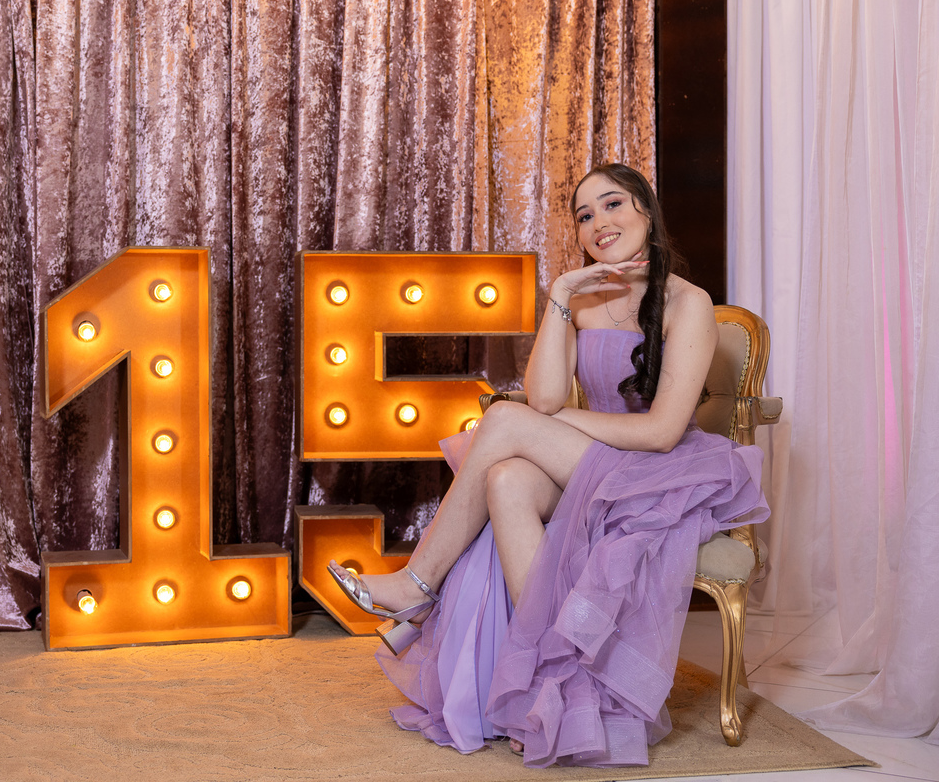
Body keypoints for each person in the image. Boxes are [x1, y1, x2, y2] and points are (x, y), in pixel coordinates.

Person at [327, 163, 769, 768]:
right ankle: (549, 689)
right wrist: (560, 295)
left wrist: (561, 425)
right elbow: (543, 400)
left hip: (658, 472)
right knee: (506, 478)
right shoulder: (581, 299)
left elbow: (662, 432)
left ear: (645, 211)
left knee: (504, 423)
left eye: (613, 205)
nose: (599, 223)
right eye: (584, 215)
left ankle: (417, 583)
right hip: (591, 463)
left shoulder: (688, 303)